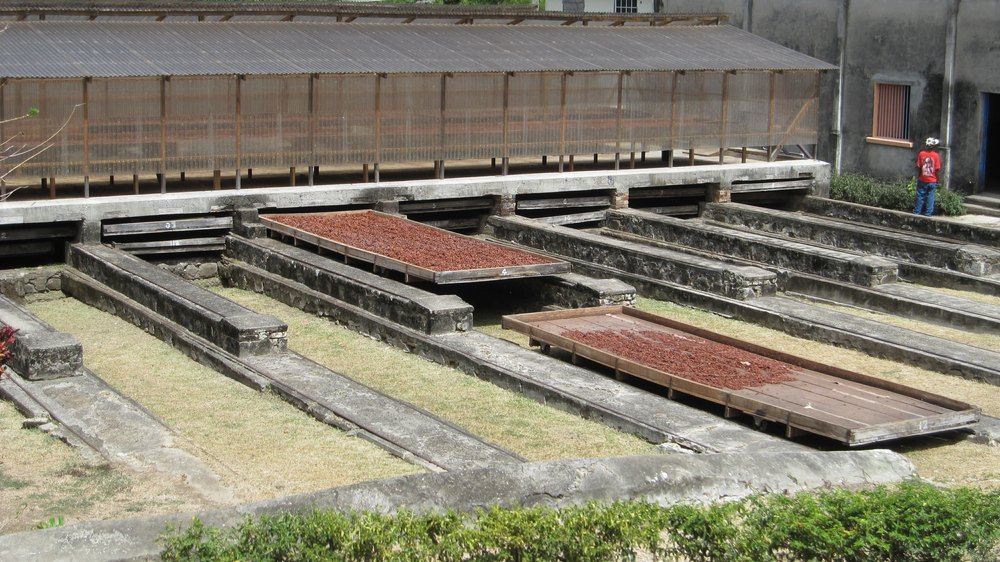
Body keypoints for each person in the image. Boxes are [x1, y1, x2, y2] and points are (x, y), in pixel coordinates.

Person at [914, 137, 942, 216]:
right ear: (934, 146)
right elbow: (936, 170)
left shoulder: (921, 154)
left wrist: (919, 176)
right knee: (930, 197)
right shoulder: (936, 156)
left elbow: (919, 167)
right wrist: (938, 179)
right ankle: (928, 213)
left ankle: (917, 211)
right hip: (932, 180)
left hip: (922, 179)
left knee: (920, 196)